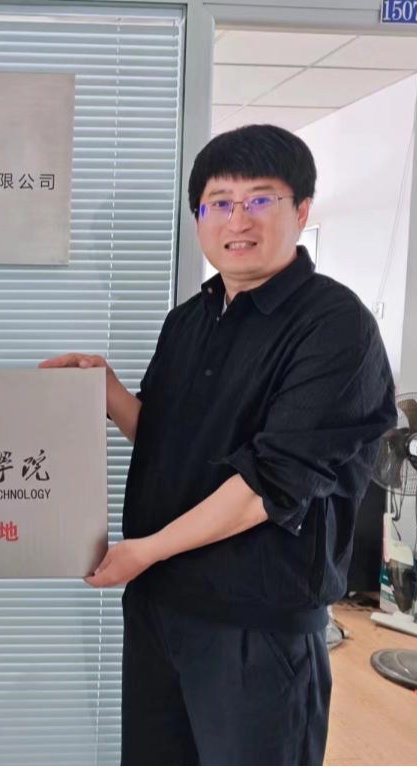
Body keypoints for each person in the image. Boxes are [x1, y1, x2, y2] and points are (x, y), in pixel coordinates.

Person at [41, 124, 396, 765]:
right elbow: (169, 443)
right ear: (199, 217)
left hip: (253, 624)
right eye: (219, 202)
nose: (238, 219)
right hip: (158, 609)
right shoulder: (190, 318)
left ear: (301, 211)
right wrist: (109, 393)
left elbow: (271, 484)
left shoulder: (336, 326)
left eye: (261, 199)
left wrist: (142, 551)